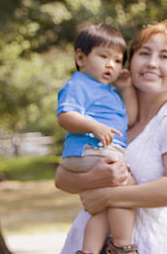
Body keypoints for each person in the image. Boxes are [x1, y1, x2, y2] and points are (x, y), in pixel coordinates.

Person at [56, 20, 167, 254]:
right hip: (83, 243)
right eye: (144, 53)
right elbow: (62, 178)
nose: (152, 63)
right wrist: (95, 177)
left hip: (149, 244)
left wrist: (107, 196)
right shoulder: (113, 116)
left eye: (165, 57)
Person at [57, 24, 138, 254]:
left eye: (117, 60)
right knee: (126, 187)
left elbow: (129, 119)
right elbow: (65, 115)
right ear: (81, 58)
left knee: (102, 207)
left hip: (99, 152)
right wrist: (94, 126)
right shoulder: (79, 84)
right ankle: (123, 246)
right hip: (90, 149)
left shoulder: (109, 92)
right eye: (103, 56)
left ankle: (89, 251)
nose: (111, 64)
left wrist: (126, 88)